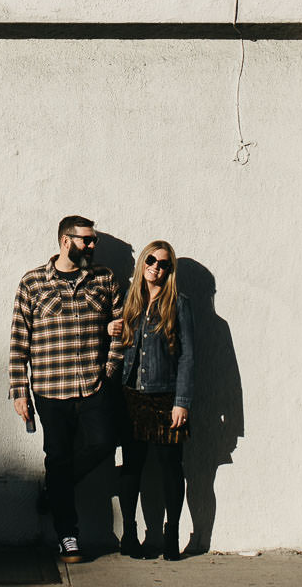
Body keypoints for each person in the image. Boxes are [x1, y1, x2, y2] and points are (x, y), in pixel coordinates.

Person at [10, 215, 124, 565]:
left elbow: (120, 331)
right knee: (56, 457)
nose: (92, 246)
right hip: (49, 388)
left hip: (93, 384)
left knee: (103, 444)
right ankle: (67, 535)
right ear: (65, 241)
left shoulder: (104, 279)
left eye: (94, 241)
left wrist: (108, 369)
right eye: (86, 240)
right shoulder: (32, 283)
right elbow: (19, 339)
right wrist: (19, 390)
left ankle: (54, 488)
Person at [114, 239, 195, 560]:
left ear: (170, 270)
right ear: (142, 263)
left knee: (170, 467)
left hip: (165, 397)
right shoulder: (129, 300)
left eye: (164, 264)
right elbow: (120, 345)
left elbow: (188, 356)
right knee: (131, 466)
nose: (156, 268)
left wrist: (182, 401)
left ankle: (171, 533)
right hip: (131, 395)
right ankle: (130, 534)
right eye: (151, 260)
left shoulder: (179, 304)